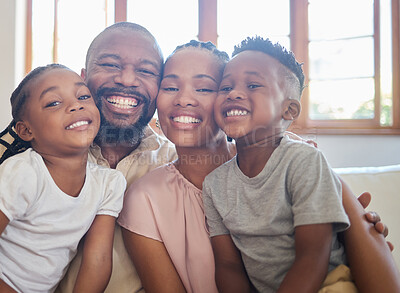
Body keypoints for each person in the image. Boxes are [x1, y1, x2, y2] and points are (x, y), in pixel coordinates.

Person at [0, 23, 393, 292]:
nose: (126, 80)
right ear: (84, 76)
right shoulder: (32, 153)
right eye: (110, 65)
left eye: (207, 88)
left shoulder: (289, 163)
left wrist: (344, 216)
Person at [118, 40, 397, 293]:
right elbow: (227, 268)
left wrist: (351, 226)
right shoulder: (149, 196)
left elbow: (374, 272)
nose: (184, 99)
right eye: (169, 87)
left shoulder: (294, 157)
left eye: (205, 88)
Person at [202, 36, 400, 293]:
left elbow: (313, 255)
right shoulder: (214, 185)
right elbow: (228, 265)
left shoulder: (304, 161)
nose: (234, 93)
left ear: (289, 111)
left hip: (330, 283)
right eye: (225, 87)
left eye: (252, 85)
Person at [0, 64, 125, 292]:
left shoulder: (109, 184)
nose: (75, 105)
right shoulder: (22, 172)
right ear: (26, 131)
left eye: (83, 96)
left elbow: (97, 260)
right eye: (53, 103)